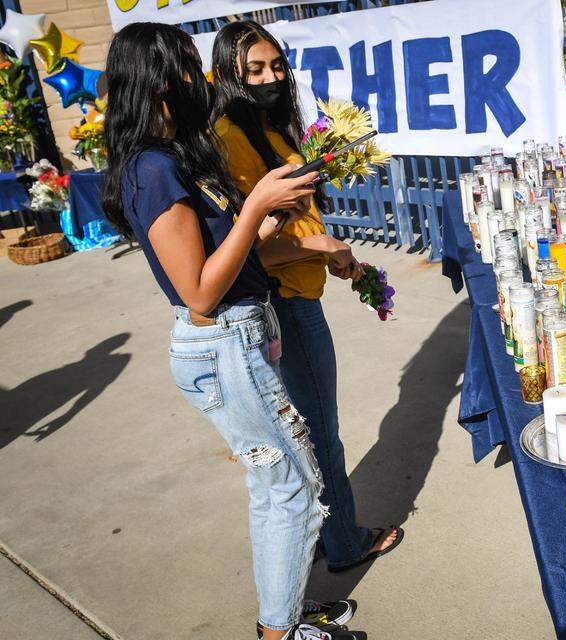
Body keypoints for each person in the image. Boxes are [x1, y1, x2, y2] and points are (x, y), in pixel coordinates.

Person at [100, 23, 362, 640]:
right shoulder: (154, 169)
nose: (203, 79)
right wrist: (253, 207)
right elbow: (197, 292)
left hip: (244, 335)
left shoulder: (177, 158)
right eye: (191, 66)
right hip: (223, 344)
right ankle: (278, 631)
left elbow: (233, 255)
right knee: (294, 488)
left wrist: (271, 218)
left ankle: (286, 608)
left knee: (277, 487)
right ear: (160, 81)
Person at [209, 19, 403, 580]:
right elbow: (244, 248)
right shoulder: (229, 138)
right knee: (319, 429)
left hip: (298, 289)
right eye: (254, 70)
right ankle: (343, 542)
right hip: (282, 304)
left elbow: (288, 227)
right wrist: (318, 244)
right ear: (228, 75)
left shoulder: (268, 127)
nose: (269, 77)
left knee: (309, 428)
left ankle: (320, 530)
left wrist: (329, 254)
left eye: (276, 66)